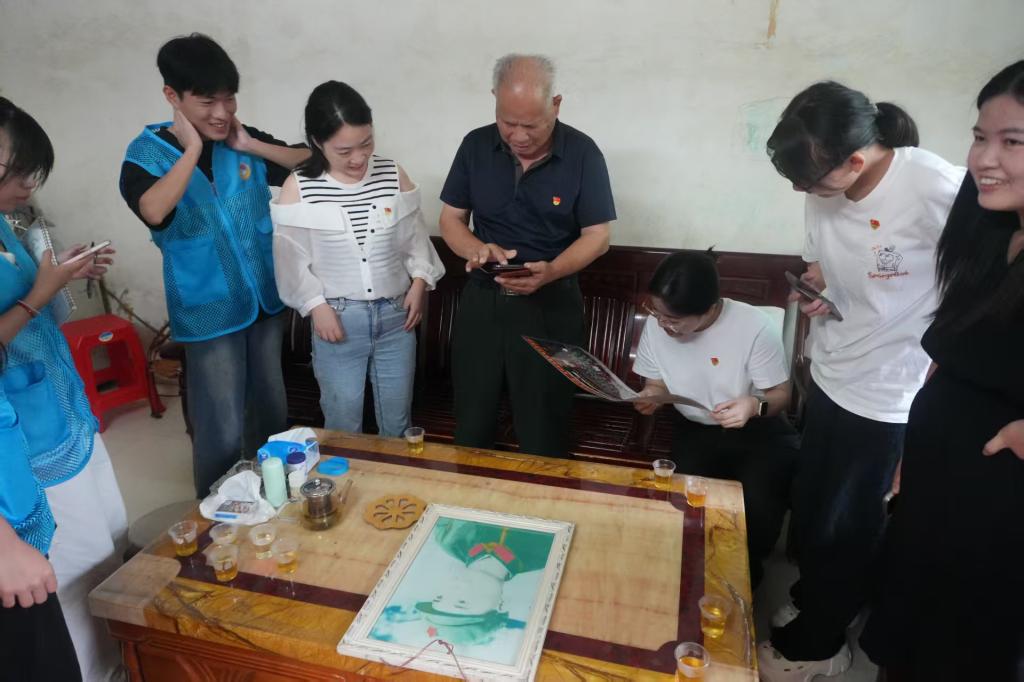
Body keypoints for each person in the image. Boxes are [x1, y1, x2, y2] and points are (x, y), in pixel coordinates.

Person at [756, 81, 965, 681]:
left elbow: (981, 280)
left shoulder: (934, 186)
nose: (802, 192)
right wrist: (813, 289)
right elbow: (822, 264)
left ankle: (819, 646)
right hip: (832, 371)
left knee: (847, 525)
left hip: (889, 394)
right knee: (814, 509)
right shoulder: (822, 188)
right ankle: (820, 599)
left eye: (810, 181)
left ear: (854, 160)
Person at [860, 61, 1024, 681]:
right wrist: (913, 451)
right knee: (913, 638)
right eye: (980, 137)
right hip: (937, 479)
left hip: (998, 499)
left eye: (1013, 142)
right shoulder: (993, 234)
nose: (985, 158)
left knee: (966, 648)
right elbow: (955, 356)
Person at [119, 34, 310, 497]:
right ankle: (218, 512)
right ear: (173, 96)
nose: (222, 112)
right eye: (207, 102)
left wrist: (253, 145)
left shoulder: (238, 141)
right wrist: (190, 151)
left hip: (264, 300)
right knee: (220, 425)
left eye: (229, 99)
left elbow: (310, 162)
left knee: (270, 411)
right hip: (207, 310)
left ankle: (274, 500)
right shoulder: (144, 157)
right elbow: (153, 210)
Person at [0, 97, 126, 681]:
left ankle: (123, 659)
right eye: (17, 170)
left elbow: (32, 300)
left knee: (110, 543)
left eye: (33, 172)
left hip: (64, 409)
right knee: (73, 570)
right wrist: (39, 294)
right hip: (30, 438)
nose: (28, 185)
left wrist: (64, 274)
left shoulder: (6, 223)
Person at [439, 54, 616, 457]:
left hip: (550, 306)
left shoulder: (583, 153)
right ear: (494, 101)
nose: (518, 136)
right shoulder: (475, 145)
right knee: (472, 420)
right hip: (484, 303)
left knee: (544, 428)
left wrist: (551, 271)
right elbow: (451, 219)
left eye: (531, 125)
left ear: (556, 104)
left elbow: (598, 236)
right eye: (508, 122)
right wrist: (476, 249)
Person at [271, 81, 444, 436]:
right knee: (342, 423)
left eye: (366, 143)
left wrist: (419, 282)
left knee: (397, 422)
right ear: (317, 142)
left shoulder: (393, 174)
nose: (358, 158)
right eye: (344, 150)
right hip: (337, 319)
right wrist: (316, 306)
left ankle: (394, 476)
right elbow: (290, 262)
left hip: (396, 317)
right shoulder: (299, 188)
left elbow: (414, 239)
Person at [632, 250, 797, 589]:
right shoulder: (657, 325)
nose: (663, 325)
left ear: (709, 309)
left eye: (674, 320)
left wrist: (753, 405)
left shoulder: (753, 327)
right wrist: (651, 396)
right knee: (687, 506)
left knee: (757, 507)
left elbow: (781, 394)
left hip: (756, 428)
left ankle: (744, 584)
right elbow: (656, 383)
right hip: (695, 427)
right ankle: (691, 580)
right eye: (656, 313)